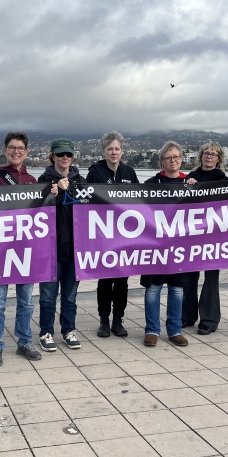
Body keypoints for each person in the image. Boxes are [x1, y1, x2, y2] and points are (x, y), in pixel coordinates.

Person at [0, 131, 42, 366]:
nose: (16, 151)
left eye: (20, 148)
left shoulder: (33, 181)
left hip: (26, 251)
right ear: (5, 150)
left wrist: (52, 194)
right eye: (12, 147)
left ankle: (24, 342)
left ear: (26, 152)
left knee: (26, 301)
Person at [86, 130, 139, 338]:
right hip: (103, 237)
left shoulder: (129, 172)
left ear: (122, 151)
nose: (114, 152)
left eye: (117, 149)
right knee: (105, 281)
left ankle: (118, 320)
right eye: (110, 149)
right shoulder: (95, 172)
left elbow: (140, 201)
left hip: (125, 237)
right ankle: (104, 320)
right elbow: (86, 201)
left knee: (122, 282)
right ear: (103, 152)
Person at [37, 139, 85, 352]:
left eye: (68, 154)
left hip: (75, 250)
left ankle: (69, 330)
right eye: (60, 154)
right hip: (51, 250)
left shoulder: (81, 181)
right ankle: (46, 332)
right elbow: (38, 210)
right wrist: (56, 192)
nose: (65, 158)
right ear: (53, 156)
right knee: (48, 296)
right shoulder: (43, 180)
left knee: (70, 296)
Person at [140, 141, 189, 347]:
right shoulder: (151, 184)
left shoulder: (190, 184)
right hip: (155, 246)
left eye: (176, 157)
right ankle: (152, 330)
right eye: (168, 157)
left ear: (181, 159)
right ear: (162, 161)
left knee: (177, 289)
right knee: (153, 288)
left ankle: (175, 330)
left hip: (180, 247)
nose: (172, 160)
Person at [183, 142, 228, 335]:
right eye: (206, 153)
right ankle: (187, 315)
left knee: (211, 277)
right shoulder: (190, 177)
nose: (209, 156)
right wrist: (186, 186)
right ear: (201, 156)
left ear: (219, 159)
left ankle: (209, 319)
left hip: (213, 235)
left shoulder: (223, 180)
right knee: (189, 277)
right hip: (192, 234)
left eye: (213, 154)